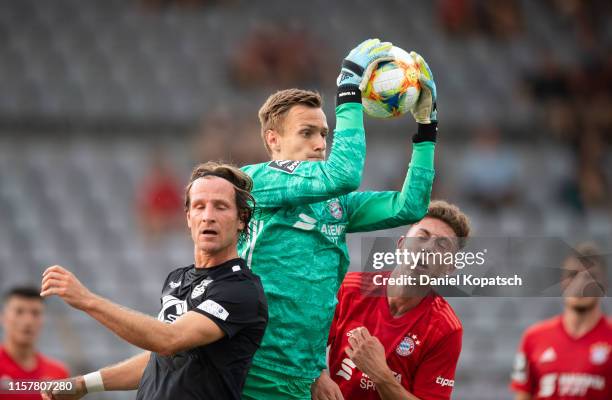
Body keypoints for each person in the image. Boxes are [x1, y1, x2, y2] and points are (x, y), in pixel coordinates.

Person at [237, 38, 439, 399]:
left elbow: (409, 207)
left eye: (324, 134)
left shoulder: (336, 204)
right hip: (250, 370)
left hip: (300, 377)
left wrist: (426, 128)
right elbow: (343, 174)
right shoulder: (257, 181)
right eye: (307, 133)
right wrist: (349, 89)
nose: (320, 143)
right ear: (273, 141)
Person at [39, 162, 268, 400]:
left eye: (220, 207)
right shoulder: (177, 279)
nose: (208, 216)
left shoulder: (241, 290)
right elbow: (161, 359)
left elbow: (168, 340)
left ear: (241, 219)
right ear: (189, 218)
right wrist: (85, 383)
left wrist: (86, 300)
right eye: (199, 207)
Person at [312, 200, 470, 400]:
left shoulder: (446, 329)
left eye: (442, 245)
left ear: (450, 267)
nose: (428, 249)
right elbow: (303, 344)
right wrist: (318, 376)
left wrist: (380, 374)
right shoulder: (350, 289)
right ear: (401, 244)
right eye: (422, 237)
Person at [510, 242, 611, 400]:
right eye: (573, 275)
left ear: (603, 284)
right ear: (562, 281)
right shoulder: (533, 338)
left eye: (590, 277)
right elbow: (522, 395)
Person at [0, 287, 69, 400]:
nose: (28, 321)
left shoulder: (58, 373)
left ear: (43, 320)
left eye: (35, 313)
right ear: (3, 317)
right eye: (19, 312)